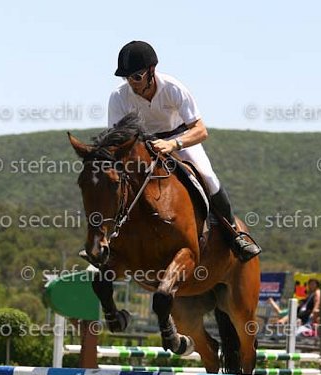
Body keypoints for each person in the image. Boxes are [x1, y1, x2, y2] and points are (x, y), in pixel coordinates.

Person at [108, 40, 261, 263]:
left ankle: (235, 235)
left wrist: (173, 145)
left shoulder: (173, 88)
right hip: (142, 144)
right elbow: (117, 137)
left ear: (151, 71)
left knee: (208, 177)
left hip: (180, 139)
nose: (132, 83)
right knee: (113, 182)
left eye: (137, 76)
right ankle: (106, 241)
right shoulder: (118, 97)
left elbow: (200, 130)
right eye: (127, 78)